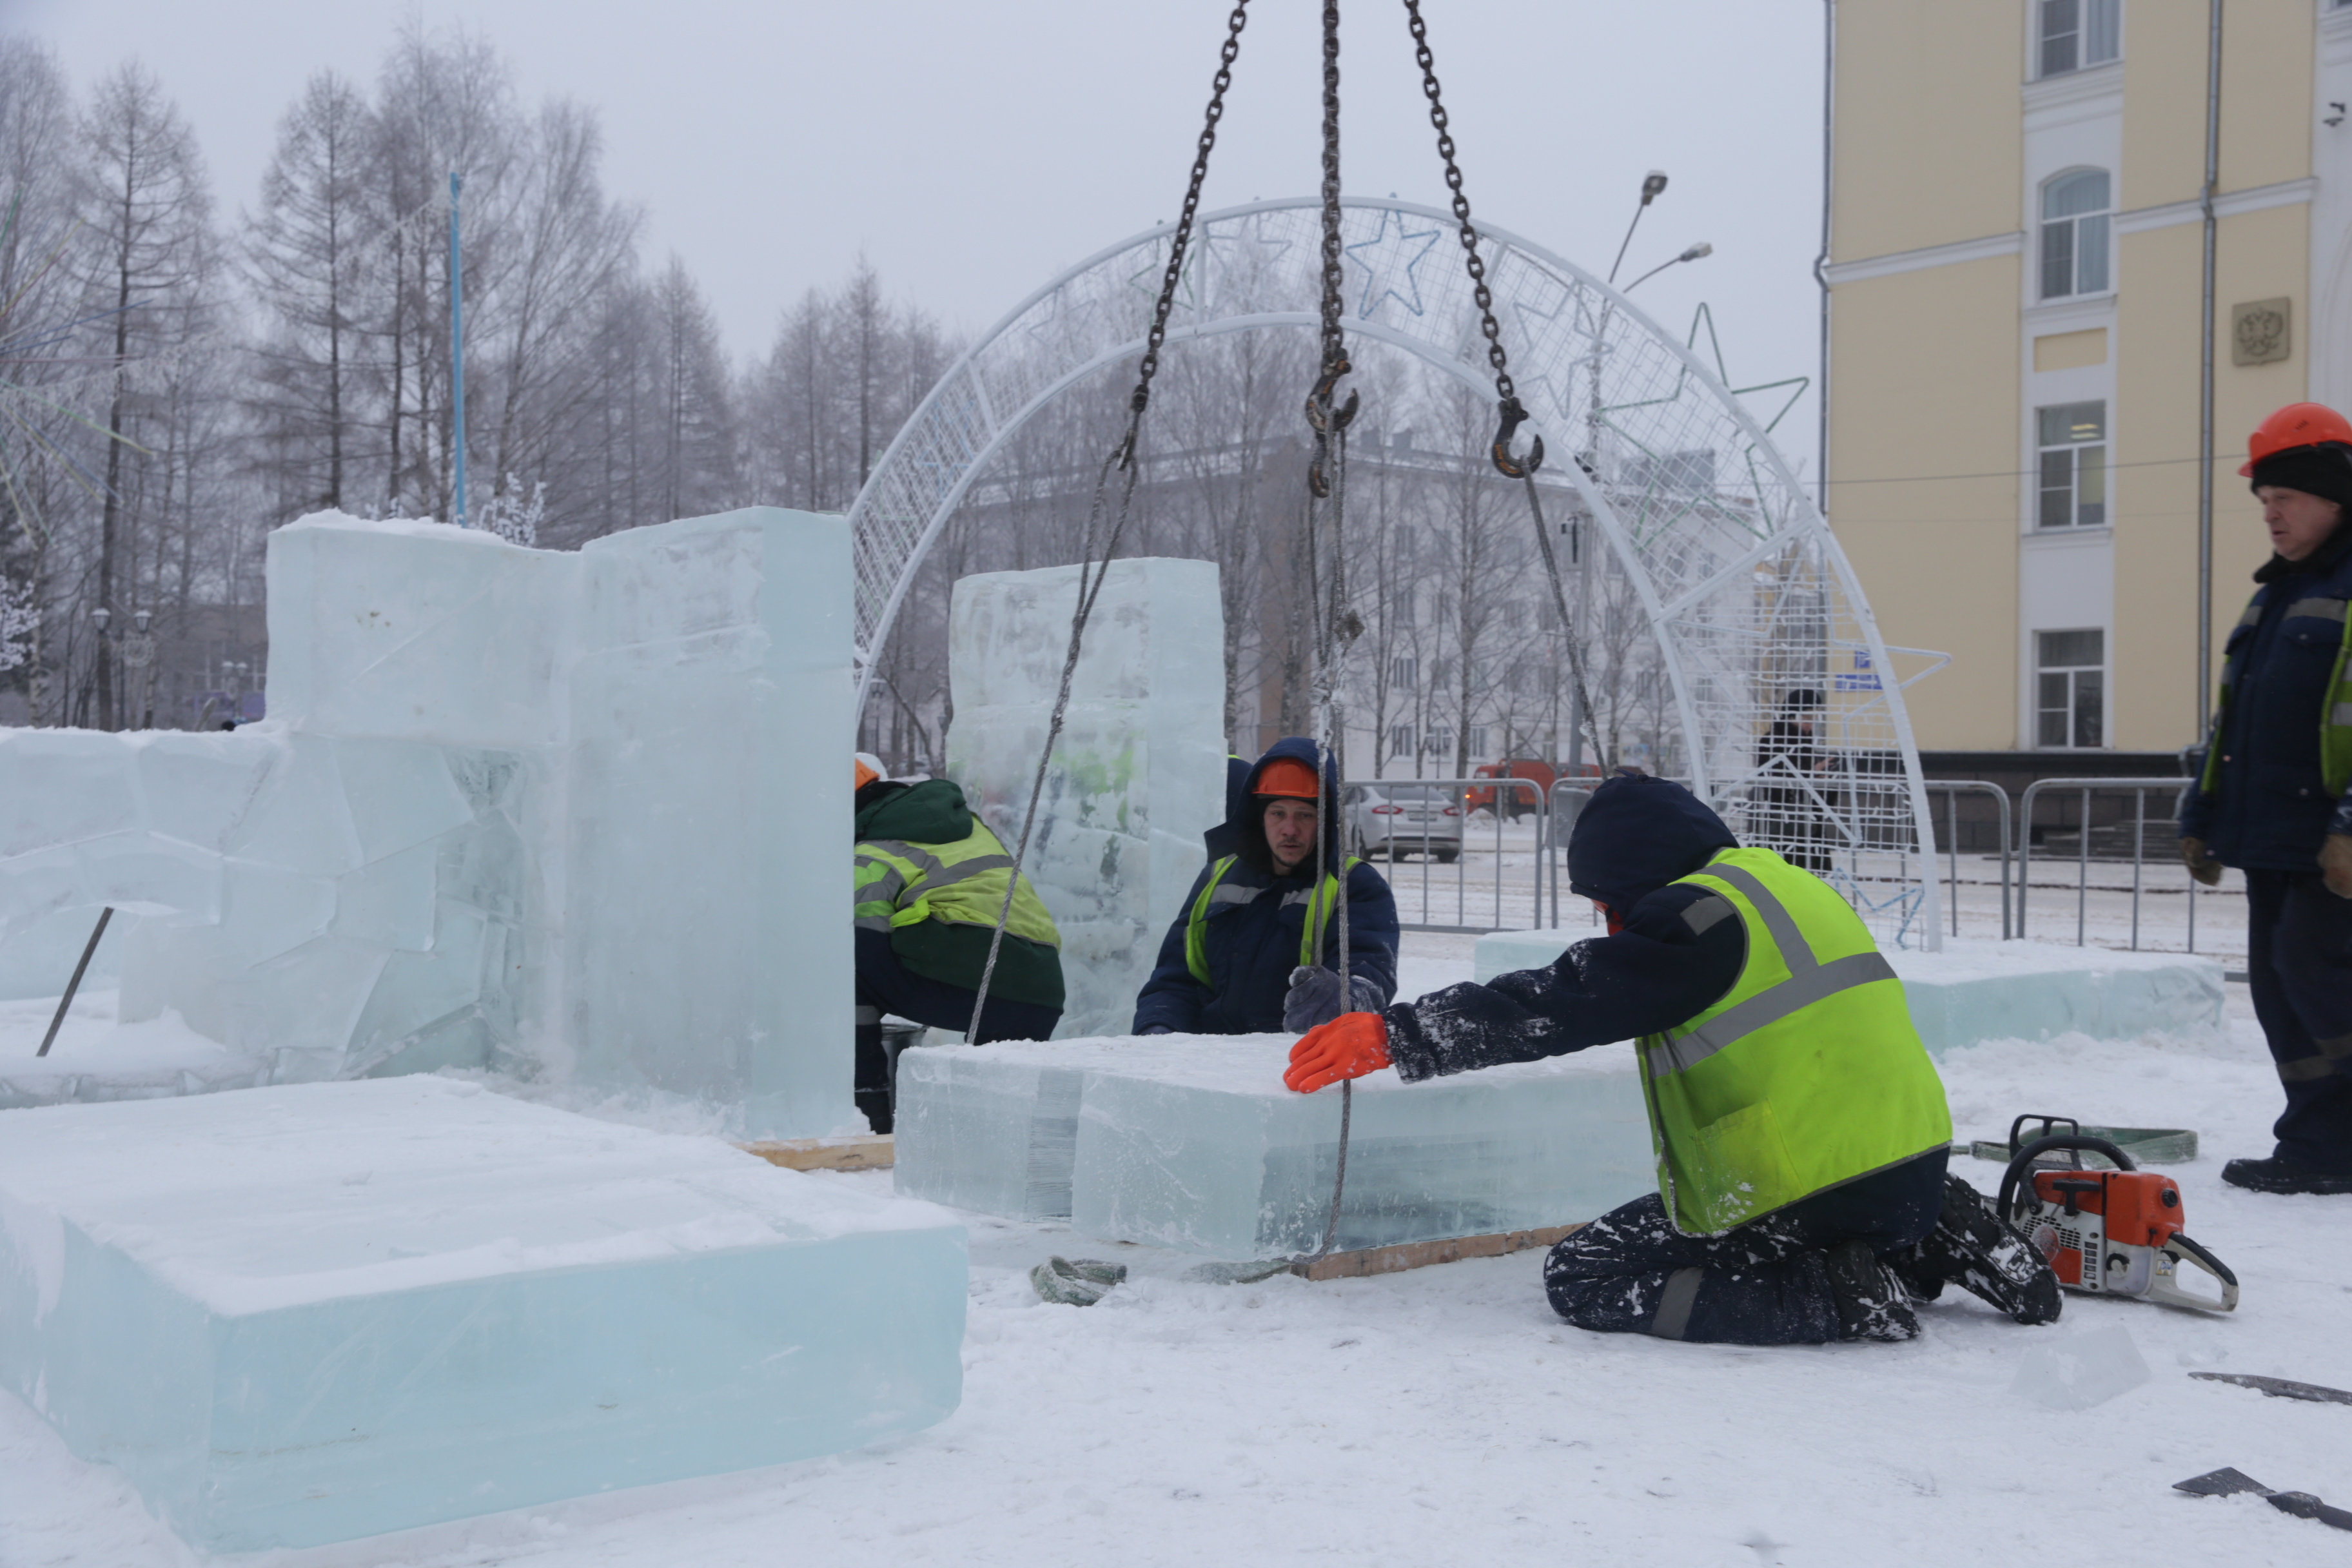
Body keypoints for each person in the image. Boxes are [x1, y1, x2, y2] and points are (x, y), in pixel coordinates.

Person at [1284, 774, 2060, 1345]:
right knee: (1862, 1204)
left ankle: (1836, 1291)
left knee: (1585, 1273)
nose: (1611, 920)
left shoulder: (1695, 916)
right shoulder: (1786, 885)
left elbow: (1568, 997)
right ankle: (1923, 1230)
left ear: (1639, 872)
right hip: (1909, 1156)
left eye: (1607, 900)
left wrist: (1401, 1033)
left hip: (1808, 1184)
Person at [2178, 402, 2352, 1196]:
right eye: (2263, 501)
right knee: (2281, 986)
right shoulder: (2274, 596)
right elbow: (2234, 724)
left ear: (2334, 494)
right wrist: (2200, 814)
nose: (2271, 513)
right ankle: (2317, 1141)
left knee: (2318, 981)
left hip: (2330, 843)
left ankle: (2334, 1140)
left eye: (2285, 495)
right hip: (2273, 836)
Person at [853, 753, 1064, 1132]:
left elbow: (863, 944)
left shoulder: (872, 853)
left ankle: (867, 1110)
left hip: (974, 977)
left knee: (841, 964)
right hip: (1040, 988)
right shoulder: (965, 827)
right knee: (997, 1120)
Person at [1133, 738, 1399, 1035]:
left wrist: (1342, 998)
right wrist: (1158, 1027)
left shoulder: (1355, 885)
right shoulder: (1220, 876)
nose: (1289, 829)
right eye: (1278, 814)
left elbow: (1371, 976)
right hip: (1207, 1057)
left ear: (1326, 821)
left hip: (1291, 1061)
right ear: (1259, 817)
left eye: (1305, 815)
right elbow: (1175, 978)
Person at [1754, 688, 1832, 872]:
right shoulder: (1773, 740)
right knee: (1784, 871)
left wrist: (1820, 777)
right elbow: (1777, 780)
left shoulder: (1805, 742)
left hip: (1804, 818)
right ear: (1791, 716)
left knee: (1802, 873)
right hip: (1784, 817)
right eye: (1805, 718)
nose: (1809, 724)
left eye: (1812, 719)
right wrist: (1812, 774)